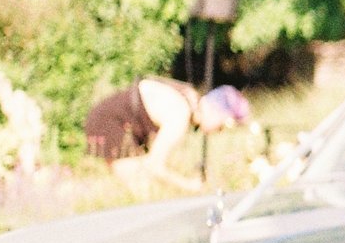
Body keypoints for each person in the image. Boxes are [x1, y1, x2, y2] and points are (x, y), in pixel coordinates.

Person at [85, 75, 254, 192]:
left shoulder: (189, 99)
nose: (219, 132)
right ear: (217, 113)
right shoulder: (181, 114)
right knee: (141, 190)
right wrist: (190, 186)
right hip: (111, 122)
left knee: (141, 186)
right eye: (222, 126)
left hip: (119, 121)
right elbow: (155, 166)